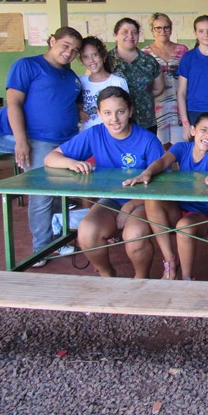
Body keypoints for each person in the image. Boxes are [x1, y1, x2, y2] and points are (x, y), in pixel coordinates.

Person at [0, 26, 83, 265]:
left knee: (63, 192)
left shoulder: (71, 76)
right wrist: (21, 140)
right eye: (65, 45)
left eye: (75, 50)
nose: (69, 53)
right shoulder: (28, 65)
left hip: (64, 141)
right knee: (42, 192)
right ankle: (41, 248)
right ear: (52, 41)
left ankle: (59, 240)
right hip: (34, 138)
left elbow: (71, 104)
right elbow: (14, 103)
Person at [44, 87, 165, 278]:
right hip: (111, 201)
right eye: (107, 113)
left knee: (135, 236)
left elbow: (163, 185)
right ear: (99, 113)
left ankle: (141, 279)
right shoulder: (94, 134)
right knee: (87, 231)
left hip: (143, 201)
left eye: (120, 112)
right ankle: (107, 275)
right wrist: (72, 163)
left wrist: (131, 206)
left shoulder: (148, 140)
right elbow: (51, 157)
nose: (114, 119)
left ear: (130, 111)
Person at [124, 112, 208, 280]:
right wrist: (147, 173)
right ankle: (170, 260)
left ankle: (186, 278)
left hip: (203, 215)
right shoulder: (181, 147)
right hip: (178, 209)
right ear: (193, 131)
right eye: (203, 130)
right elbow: (163, 161)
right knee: (152, 198)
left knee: (184, 227)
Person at [109, 17, 164, 134]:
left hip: (145, 122)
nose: (130, 36)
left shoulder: (148, 61)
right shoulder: (106, 61)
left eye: (134, 32)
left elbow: (159, 88)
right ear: (115, 35)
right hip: (115, 124)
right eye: (125, 32)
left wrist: (143, 95)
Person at [142, 12, 189, 148]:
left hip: (179, 108)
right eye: (158, 28)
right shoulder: (144, 54)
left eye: (166, 27)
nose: (162, 31)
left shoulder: (182, 50)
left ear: (171, 29)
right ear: (152, 31)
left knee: (180, 149)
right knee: (159, 150)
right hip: (156, 109)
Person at [78, 36, 128, 131]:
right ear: (82, 60)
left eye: (95, 55)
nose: (91, 60)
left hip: (111, 135)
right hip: (86, 134)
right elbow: (74, 105)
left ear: (103, 56)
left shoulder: (117, 82)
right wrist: (78, 111)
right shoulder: (80, 82)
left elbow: (126, 110)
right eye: (85, 57)